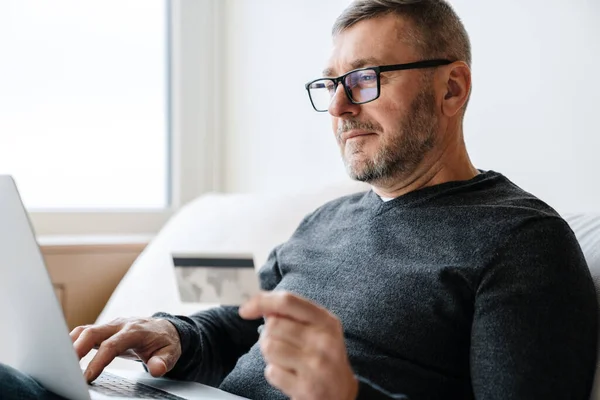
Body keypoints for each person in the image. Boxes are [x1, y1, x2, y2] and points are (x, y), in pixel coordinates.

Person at [1, 0, 597, 399]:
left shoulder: (522, 243)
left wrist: (346, 395)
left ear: (452, 87)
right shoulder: (327, 221)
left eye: (365, 79)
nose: (338, 108)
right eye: (331, 85)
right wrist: (173, 333)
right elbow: (240, 326)